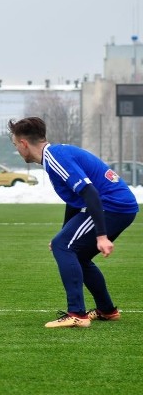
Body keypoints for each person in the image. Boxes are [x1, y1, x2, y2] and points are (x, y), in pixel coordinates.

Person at [8, 116, 139, 328]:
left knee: (65, 247)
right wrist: (64, 233)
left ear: (24, 143)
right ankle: (107, 310)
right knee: (76, 253)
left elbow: (90, 193)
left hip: (111, 206)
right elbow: (75, 199)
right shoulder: (55, 155)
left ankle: (77, 314)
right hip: (117, 205)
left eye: (16, 145)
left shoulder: (55, 158)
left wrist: (101, 236)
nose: (17, 150)